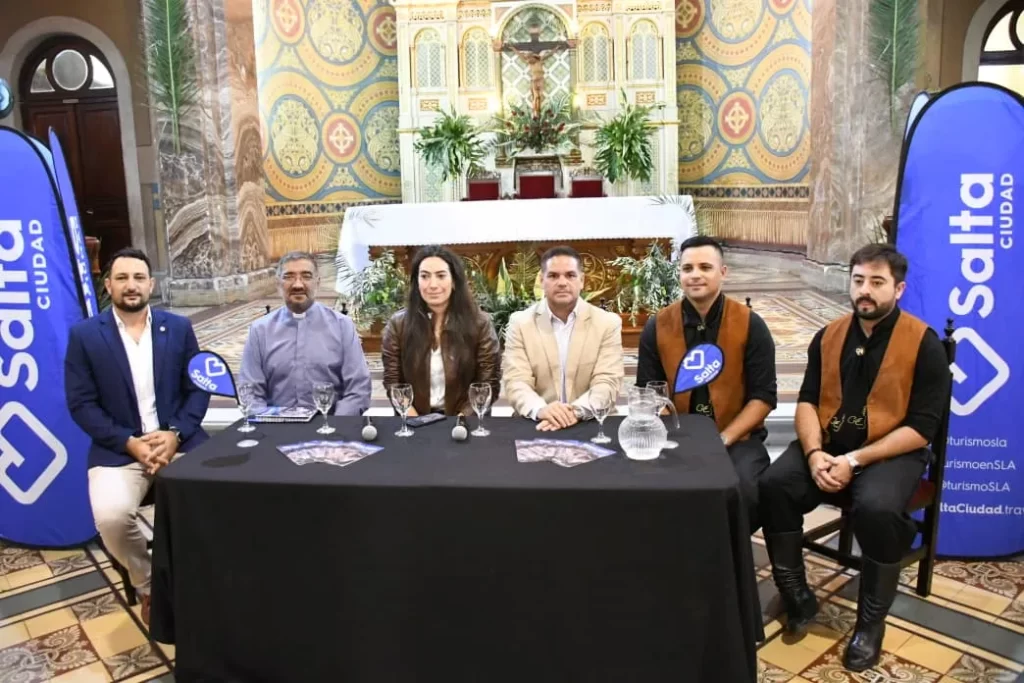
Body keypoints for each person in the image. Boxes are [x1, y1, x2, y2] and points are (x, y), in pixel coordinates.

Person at [758, 243, 950, 672]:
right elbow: (807, 401)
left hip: (891, 453)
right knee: (774, 485)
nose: (865, 290)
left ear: (898, 289)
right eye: (859, 280)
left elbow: (922, 428)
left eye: (877, 282)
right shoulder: (828, 335)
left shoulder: (923, 343)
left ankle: (870, 625)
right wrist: (814, 454)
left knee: (877, 508)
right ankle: (797, 595)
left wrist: (855, 461)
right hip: (828, 445)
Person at [65, 248, 210, 626]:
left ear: (151, 284)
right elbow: (81, 404)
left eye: (139, 278)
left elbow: (197, 388)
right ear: (109, 285)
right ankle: (148, 586)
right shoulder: (84, 336)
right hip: (119, 449)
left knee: (220, 497)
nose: (131, 285)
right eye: (122, 278)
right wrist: (129, 442)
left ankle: (204, 578)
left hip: (178, 442)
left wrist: (175, 434)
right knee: (112, 517)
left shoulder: (178, 328)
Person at [636, 236, 777, 532]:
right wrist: (677, 436)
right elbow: (649, 393)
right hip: (677, 436)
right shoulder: (658, 325)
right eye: (687, 268)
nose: (695, 275)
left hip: (737, 439)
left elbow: (763, 397)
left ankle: (728, 555)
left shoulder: (750, 324)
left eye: (705, 267)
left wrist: (722, 439)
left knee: (744, 489)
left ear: (723, 272)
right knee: (648, 485)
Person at [502, 245, 624, 430]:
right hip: (538, 423)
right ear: (541, 280)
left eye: (570, 275)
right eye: (553, 276)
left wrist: (575, 412)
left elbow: (607, 382)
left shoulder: (607, 323)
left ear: (582, 280)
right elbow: (516, 381)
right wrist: (541, 409)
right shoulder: (520, 323)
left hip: (591, 421)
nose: (562, 282)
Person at [239, 251, 371, 416]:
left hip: (331, 425)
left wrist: (335, 425)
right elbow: (250, 392)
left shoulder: (342, 326)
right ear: (278, 284)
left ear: (318, 282)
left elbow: (358, 390)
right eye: (289, 277)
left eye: (306, 276)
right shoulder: (260, 331)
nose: (298, 285)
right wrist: (267, 423)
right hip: (275, 426)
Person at [381, 246, 501, 416]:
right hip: (414, 418)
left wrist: (461, 421)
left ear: (454, 281)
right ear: (416, 282)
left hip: (467, 419)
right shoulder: (398, 324)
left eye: (441, 276)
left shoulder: (480, 323)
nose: (432, 285)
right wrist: (414, 419)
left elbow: (488, 383)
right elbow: (393, 381)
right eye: (424, 276)